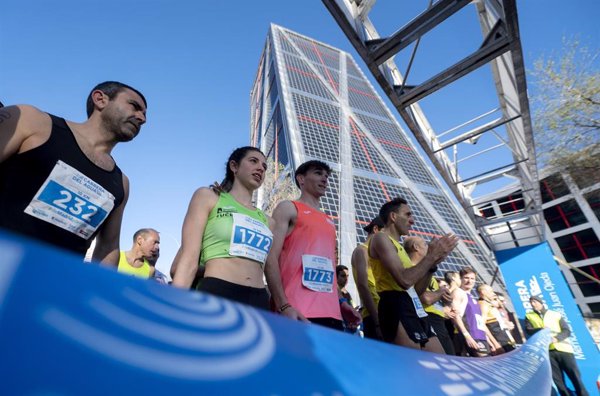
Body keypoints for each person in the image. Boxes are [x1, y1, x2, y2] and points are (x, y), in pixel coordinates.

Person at [0, 81, 147, 265]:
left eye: (144, 114)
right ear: (100, 99)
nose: (142, 118)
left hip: (52, 286)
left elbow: (108, 247)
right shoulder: (32, 122)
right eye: (135, 106)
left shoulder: (122, 183)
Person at [171, 147, 273, 310]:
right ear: (234, 166)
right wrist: (172, 306)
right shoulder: (207, 197)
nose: (261, 168)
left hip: (258, 299)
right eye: (253, 161)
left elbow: (271, 267)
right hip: (217, 291)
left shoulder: (268, 221)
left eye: (264, 166)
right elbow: (187, 261)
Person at [265, 160, 351, 331]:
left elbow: (330, 270)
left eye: (327, 176)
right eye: (318, 173)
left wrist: (341, 303)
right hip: (297, 310)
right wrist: (283, 305)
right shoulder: (288, 208)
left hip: (332, 314)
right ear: (301, 179)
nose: (325, 179)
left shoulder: (329, 221)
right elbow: (270, 257)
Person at [369, 197, 458, 352]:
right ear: (393, 217)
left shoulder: (400, 248)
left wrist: (432, 264)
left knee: (441, 359)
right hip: (394, 304)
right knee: (412, 364)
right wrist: (430, 257)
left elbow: (416, 291)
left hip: (413, 305)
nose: (412, 220)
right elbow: (404, 280)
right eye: (408, 215)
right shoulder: (380, 238)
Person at [525, 296, 589, 396]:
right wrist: (540, 329)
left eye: (535, 301)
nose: (533, 304)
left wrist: (556, 338)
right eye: (531, 302)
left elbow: (567, 331)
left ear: (541, 302)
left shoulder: (555, 314)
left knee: (575, 377)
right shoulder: (529, 316)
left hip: (564, 350)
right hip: (547, 352)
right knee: (558, 380)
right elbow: (528, 330)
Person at [405, 236, 455, 355]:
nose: (429, 247)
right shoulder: (412, 270)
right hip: (428, 317)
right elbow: (425, 298)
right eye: (425, 244)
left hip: (439, 319)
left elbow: (435, 297)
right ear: (415, 247)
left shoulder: (428, 271)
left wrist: (446, 301)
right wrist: (441, 292)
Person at [451, 267, 500, 357]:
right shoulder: (458, 292)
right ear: (461, 279)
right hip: (470, 335)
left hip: (480, 336)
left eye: (472, 278)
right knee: (484, 366)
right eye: (466, 278)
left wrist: (488, 340)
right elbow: (455, 315)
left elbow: (479, 321)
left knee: (488, 365)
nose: (469, 281)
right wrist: (467, 336)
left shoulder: (472, 298)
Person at [351, 216, 385, 340]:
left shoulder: (379, 255)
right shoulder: (362, 251)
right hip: (374, 315)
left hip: (384, 312)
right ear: (376, 229)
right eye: (385, 234)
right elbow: (363, 286)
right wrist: (377, 321)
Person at [477, 284, 515, 354]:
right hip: (498, 339)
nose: (493, 293)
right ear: (483, 292)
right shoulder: (483, 304)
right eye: (491, 291)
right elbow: (482, 324)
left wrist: (506, 323)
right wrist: (495, 344)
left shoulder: (489, 304)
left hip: (503, 337)